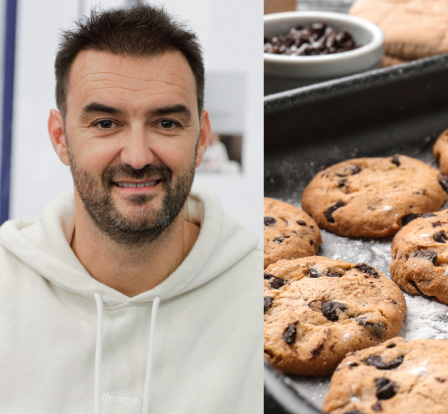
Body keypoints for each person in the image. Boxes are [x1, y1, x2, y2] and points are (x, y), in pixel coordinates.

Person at [0, 6, 261, 413]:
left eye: (167, 124)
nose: (138, 156)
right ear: (60, 138)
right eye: (106, 123)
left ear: (202, 137)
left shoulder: (263, 291)